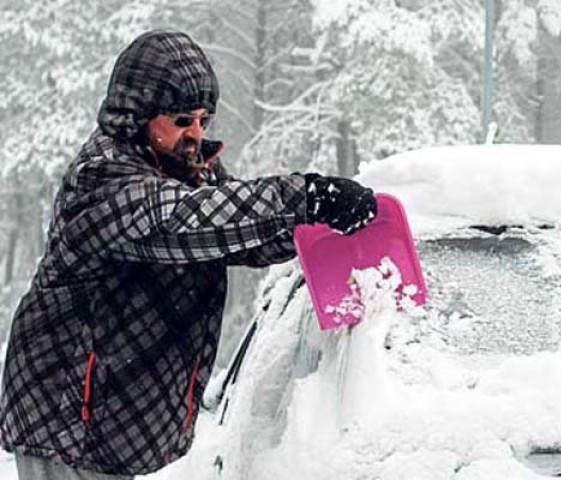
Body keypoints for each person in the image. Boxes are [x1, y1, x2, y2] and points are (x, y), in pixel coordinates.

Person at [0, 30, 376, 479]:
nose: (196, 133)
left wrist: (310, 222)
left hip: (108, 409)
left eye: (203, 119)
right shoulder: (101, 178)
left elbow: (238, 230)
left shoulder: (186, 167)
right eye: (182, 120)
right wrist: (305, 197)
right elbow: (186, 222)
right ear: (137, 115)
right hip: (66, 414)